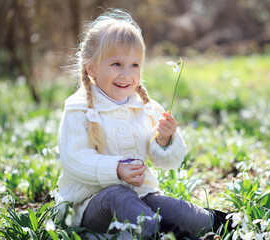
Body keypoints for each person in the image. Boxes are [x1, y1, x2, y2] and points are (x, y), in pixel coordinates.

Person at [54, 8, 230, 239]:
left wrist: (165, 139)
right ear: (92, 68)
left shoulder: (144, 107)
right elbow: (73, 160)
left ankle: (224, 225)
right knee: (118, 195)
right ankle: (167, 236)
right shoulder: (78, 108)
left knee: (170, 207)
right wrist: (116, 169)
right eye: (116, 64)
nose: (127, 74)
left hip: (140, 197)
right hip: (90, 209)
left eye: (134, 65)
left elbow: (168, 161)